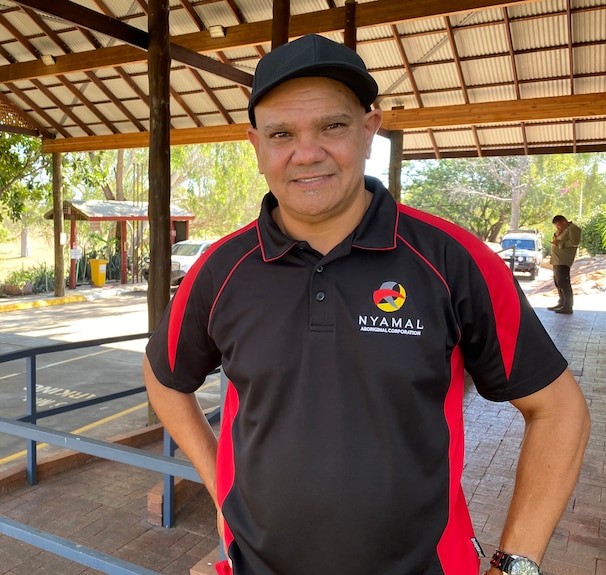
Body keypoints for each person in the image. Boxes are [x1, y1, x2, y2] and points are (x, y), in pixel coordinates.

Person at [142, 34, 590, 575]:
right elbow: (165, 375)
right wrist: (220, 483)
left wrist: (515, 565)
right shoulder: (222, 268)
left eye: (332, 126)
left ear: (369, 130)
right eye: (282, 133)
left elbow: (559, 410)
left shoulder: (450, 259)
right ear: (256, 145)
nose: (307, 153)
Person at [548, 214, 581, 314]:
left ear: (563, 221)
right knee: (558, 282)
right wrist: (557, 234)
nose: (558, 228)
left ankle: (568, 306)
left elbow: (574, 242)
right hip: (557, 260)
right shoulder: (563, 230)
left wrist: (560, 244)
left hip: (564, 260)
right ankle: (561, 302)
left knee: (563, 282)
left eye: (558, 225)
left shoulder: (573, 229)